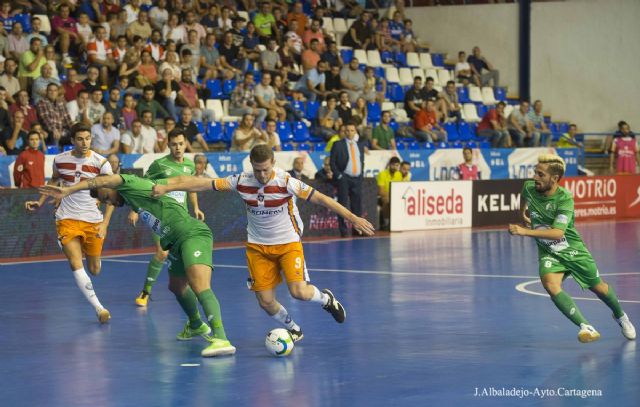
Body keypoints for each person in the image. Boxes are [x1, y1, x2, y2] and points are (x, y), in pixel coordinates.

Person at [151, 144, 375, 343]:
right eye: (257, 170)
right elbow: (201, 184)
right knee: (266, 302)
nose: (262, 174)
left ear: (274, 164)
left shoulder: (286, 181)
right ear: (251, 165)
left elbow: (322, 199)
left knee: (299, 292)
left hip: (288, 243)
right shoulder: (241, 181)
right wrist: (168, 187)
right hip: (258, 247)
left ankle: (327, 300)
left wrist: (353, 218)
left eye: (266, 169)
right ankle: (293, 329)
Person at [38, 150, 235, 358]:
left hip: (192, 234)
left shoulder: (128, 183)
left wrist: (69, 190)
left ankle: (222, 338)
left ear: (109, 185)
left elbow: (102, 180)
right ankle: (196, 324)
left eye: (107, 197)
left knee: (199, 284)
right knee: (176, 286)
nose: (111, 204)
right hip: (174, 242)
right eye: (107, 203)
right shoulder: (132, 199)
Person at [508, 154, 636, 343]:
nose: (535, 177)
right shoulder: (529, 187)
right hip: (548, 251)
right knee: (551, 286)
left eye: (540, 174)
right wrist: (523, 213)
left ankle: (621, 316)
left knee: (599, 288)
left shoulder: (565, 198)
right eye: (535, 172)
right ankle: (586, 326)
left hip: (573, 249)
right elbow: (524, 196)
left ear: (554, 179)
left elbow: (558, 233)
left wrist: (523, 232)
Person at [25, 123, 115, 324]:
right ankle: (99, 308)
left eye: (88, 138)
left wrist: (105, 224)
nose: (85, 143)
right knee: (75, 262)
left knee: (95, 269)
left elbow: (113, 196)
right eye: (80, 139)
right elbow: (55, 181)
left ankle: (86, 249)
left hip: (94, 221)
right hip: (67, 218)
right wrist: (39, 202)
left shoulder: (102, 163)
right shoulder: (60, 160)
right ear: (73, 140)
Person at [131, 130, 204, 307]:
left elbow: (191, 187)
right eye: (173, 144)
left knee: (184, 254)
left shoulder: (189, 165)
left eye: (180, 143)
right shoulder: (159, 165)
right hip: (161, 215)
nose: (177, 147)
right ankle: (146, 291)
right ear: (168, 145)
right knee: (162, 253)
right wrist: (136, 209)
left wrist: (195, 207)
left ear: (185, 143)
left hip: (181, 218)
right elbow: (143, 186)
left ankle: (187, 289)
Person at [330, 121, 367, 237]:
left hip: (357, 179)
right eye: (347, 130)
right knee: (342, 205)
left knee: (357, 206)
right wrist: (339, 176)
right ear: (344, 132)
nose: (350, 133)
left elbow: (361, 161)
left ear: (355, 132)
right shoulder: (338, 144)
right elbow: (332, 162)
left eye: (352, 130)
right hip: (344, 179)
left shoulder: (359, 145)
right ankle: (344, 231)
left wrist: (361, 175)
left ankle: (358, 230)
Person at [377, 156, 403, 230]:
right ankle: (386, 223)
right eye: (393, 165)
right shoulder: (382, 174)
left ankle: (399, 222)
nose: (395, 167)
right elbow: (381, 192)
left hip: (395, 196)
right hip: (382, 197)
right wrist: (392, 196)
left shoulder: (399, 174)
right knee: (387, 200)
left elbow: (400, 189)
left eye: (397, 165)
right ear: (389, 165)